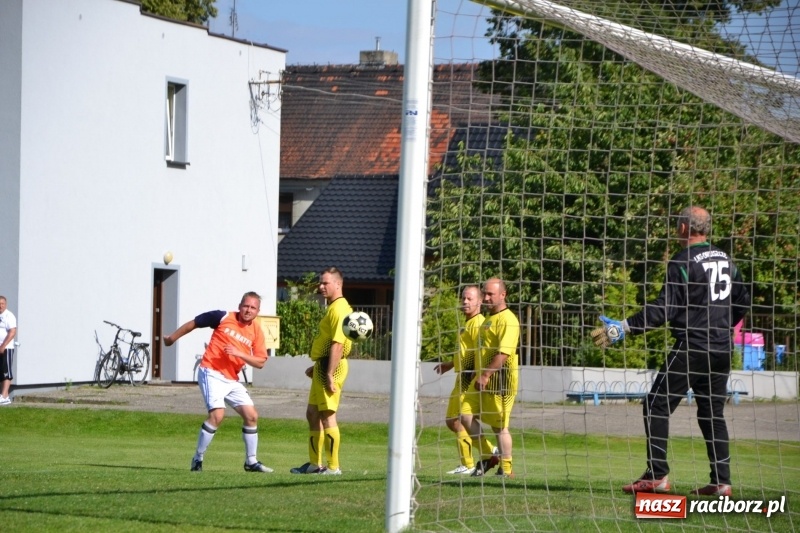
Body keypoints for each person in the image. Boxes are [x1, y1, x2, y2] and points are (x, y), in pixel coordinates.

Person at [591, 206, 750, 496]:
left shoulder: (683, 261)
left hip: (694, 346)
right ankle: (721, 482)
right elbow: (742, 299)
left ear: (683, 228)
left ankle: (657, 475)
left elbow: (664, 309)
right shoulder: (727, 260)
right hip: (723, 348)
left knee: (655, 404)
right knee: (712, 414)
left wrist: (624, 327)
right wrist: (723, 325)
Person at [164, 291, 272, 473]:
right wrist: (172, 338)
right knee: (217, 416)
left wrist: (240, 354)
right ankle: (197, 459)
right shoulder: (223, 317)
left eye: (253, 307)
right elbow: (195, 322)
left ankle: (251, 462)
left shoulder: (256, 331)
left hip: (231, 379)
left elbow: (261, 362)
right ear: (240, 306)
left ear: (258, 311)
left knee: (251, 415)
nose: (248, 310)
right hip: (211, 371)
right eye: (246, 306)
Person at [291, 267, 353, 475]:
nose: (320, 286)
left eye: (325, 283)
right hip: (323, 365)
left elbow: (337, 343)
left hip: (331, 368)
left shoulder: (340, 309)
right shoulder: (333, 307)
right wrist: (318, 364)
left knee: (327, 415)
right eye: (320, 282)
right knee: (312, 413)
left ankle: (333, 467)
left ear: (338, 284)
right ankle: (313, 464)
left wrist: (328, 372)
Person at [434, 285, 499, 475]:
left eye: (470, 299)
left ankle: (471, 461)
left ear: (479, 301)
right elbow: (465, 353)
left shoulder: (479, 323)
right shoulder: (467, 323)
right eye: (463, 298)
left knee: (458, 420)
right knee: (451, 421)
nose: (465, 302)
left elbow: (481, 352)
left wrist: (476, 372)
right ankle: (487, 452)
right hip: (460, 376)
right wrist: (450, 364)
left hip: (468, 378)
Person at [465, 278, 520, 478]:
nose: (486, 298)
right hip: (481, 379)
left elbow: (504, 353)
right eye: (485, 293)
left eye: (490, 294)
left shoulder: (508, 320)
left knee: (499, 427)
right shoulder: (489, 319)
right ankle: (489, 455)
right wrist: (476, 370)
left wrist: (486, 374)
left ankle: (506, 469)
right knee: (464, 416)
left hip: (500, 382)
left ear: (503, 295)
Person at [0, 296, 18, 406]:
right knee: (0, 372)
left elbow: (12, 332)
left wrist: (3, 346)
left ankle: (5, 396)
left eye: (2, 303)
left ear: (5, 304)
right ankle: (2, 395)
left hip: (6, 348)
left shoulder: (9, 316)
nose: (0, 306)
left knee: (6, 372)